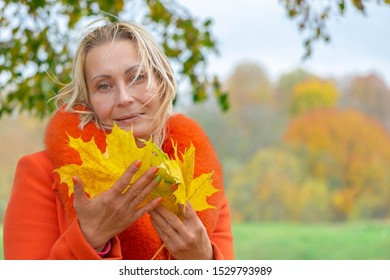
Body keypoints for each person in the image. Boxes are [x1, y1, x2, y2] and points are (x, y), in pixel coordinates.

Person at [3, 19, 234, 260]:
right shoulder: (41, 174)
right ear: (89, 100)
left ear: (162, 83)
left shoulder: (201, 180)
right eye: (104, 86)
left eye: (136, 78)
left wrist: (203, 262)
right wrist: (90, 238)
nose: (123, 98)